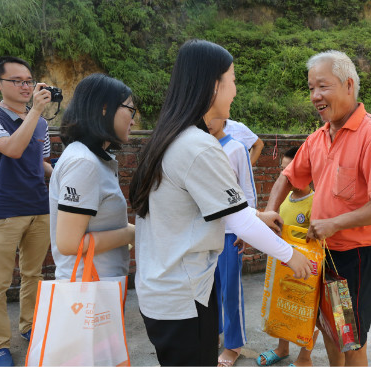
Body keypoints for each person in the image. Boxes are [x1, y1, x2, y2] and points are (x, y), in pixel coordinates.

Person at [128, 39, 313, 367]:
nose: (236, 91)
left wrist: (257, 213)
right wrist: (291, 256)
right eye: (233, 80)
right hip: (183, 297)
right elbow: (239, 223)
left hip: (164, 289)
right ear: (214, 85)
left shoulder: (171, 137)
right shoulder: (200, 146)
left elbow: (210, 207)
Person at [265, 50, 371, 367]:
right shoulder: (317, 138)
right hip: (321, 253)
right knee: (329, 326)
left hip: (355, 259)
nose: (315, 96)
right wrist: (270, 212)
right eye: (311, 88)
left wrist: (336, 223)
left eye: (323, 86)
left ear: (348, 85)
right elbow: (287, 177)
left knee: (351, 339)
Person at [48, 73, 135, 281]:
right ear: (104, 108)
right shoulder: (83, 163)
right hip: (86, 291)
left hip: (98, 286)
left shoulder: (93, 159)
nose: (133, 119)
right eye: (130, 109)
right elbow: (69, 244)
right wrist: (131, 234)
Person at [0, 56, 53, 366]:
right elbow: (12, 149)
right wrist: (36, 111)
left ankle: (30, 326)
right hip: (3, 209)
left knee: (34, 274)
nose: (25, 86)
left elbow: (39, 163)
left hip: (38, 206)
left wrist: (63, 174)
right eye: (16, 81)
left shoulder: (41, 121)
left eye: (28, 81)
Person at [257, 146, 318, 367]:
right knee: (282, 308)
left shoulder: (315, 202)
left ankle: (305, 358)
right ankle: (282, 349)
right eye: (282, 172)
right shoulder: (281, 199)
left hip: (305, 270)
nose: (286, 177)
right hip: (282, 266)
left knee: (307, 312)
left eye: (290, 171)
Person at [206, 118, 256, 367]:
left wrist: (245, 230)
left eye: (212, 114)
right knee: (207, 289)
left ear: (223, 116)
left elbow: (248, 191)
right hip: (204, 233)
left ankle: (233, 345)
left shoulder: (237, 148)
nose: (207, 120)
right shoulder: (199, 147)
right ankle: (213, 333)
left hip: (229, 233)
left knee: (230, 291)